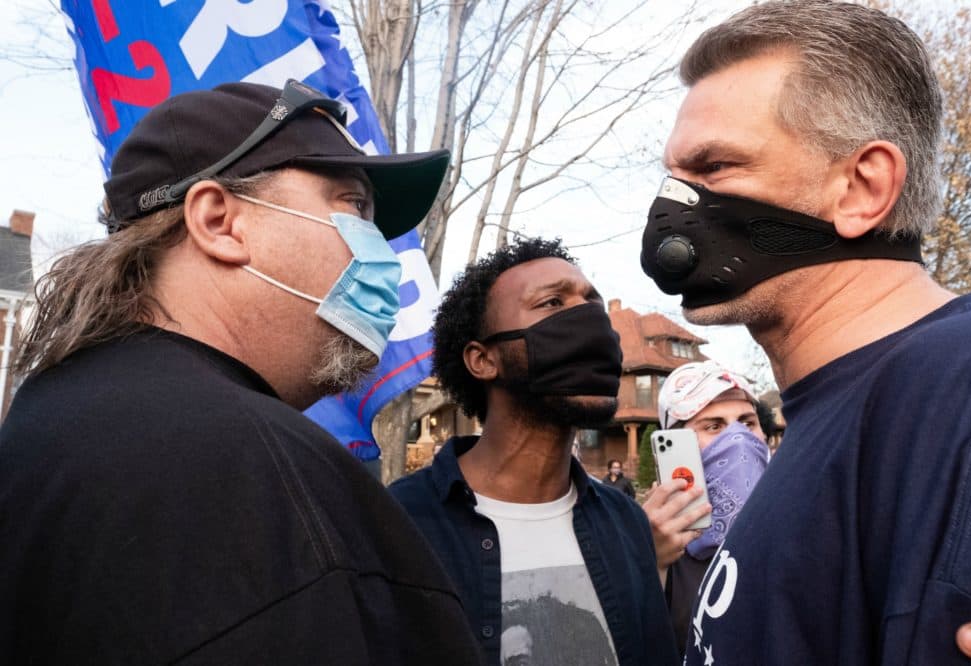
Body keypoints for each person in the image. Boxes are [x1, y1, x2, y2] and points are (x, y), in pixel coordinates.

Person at [0, 79, 483, 664]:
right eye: (354, 207)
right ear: (220, 222)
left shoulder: (51, 417)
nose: (383, 252)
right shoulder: (243, 465)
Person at [638, 2, 971, 664]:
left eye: (714, 167)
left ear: (863, 188)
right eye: (675, 177)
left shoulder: (965, 384)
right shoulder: (828, 411)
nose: (672, 209)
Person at [389, 238, 677, 666]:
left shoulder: (625, 522)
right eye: (553, 302)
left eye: (592, 304)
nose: (588, 320)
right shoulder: (398, 524)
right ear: (483, 359)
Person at [654, 361, 769, 656]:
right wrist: (652, 563)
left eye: (747, 422)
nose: (738, 439)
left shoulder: (797, 521)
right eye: (713, 426)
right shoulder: (652, 544)